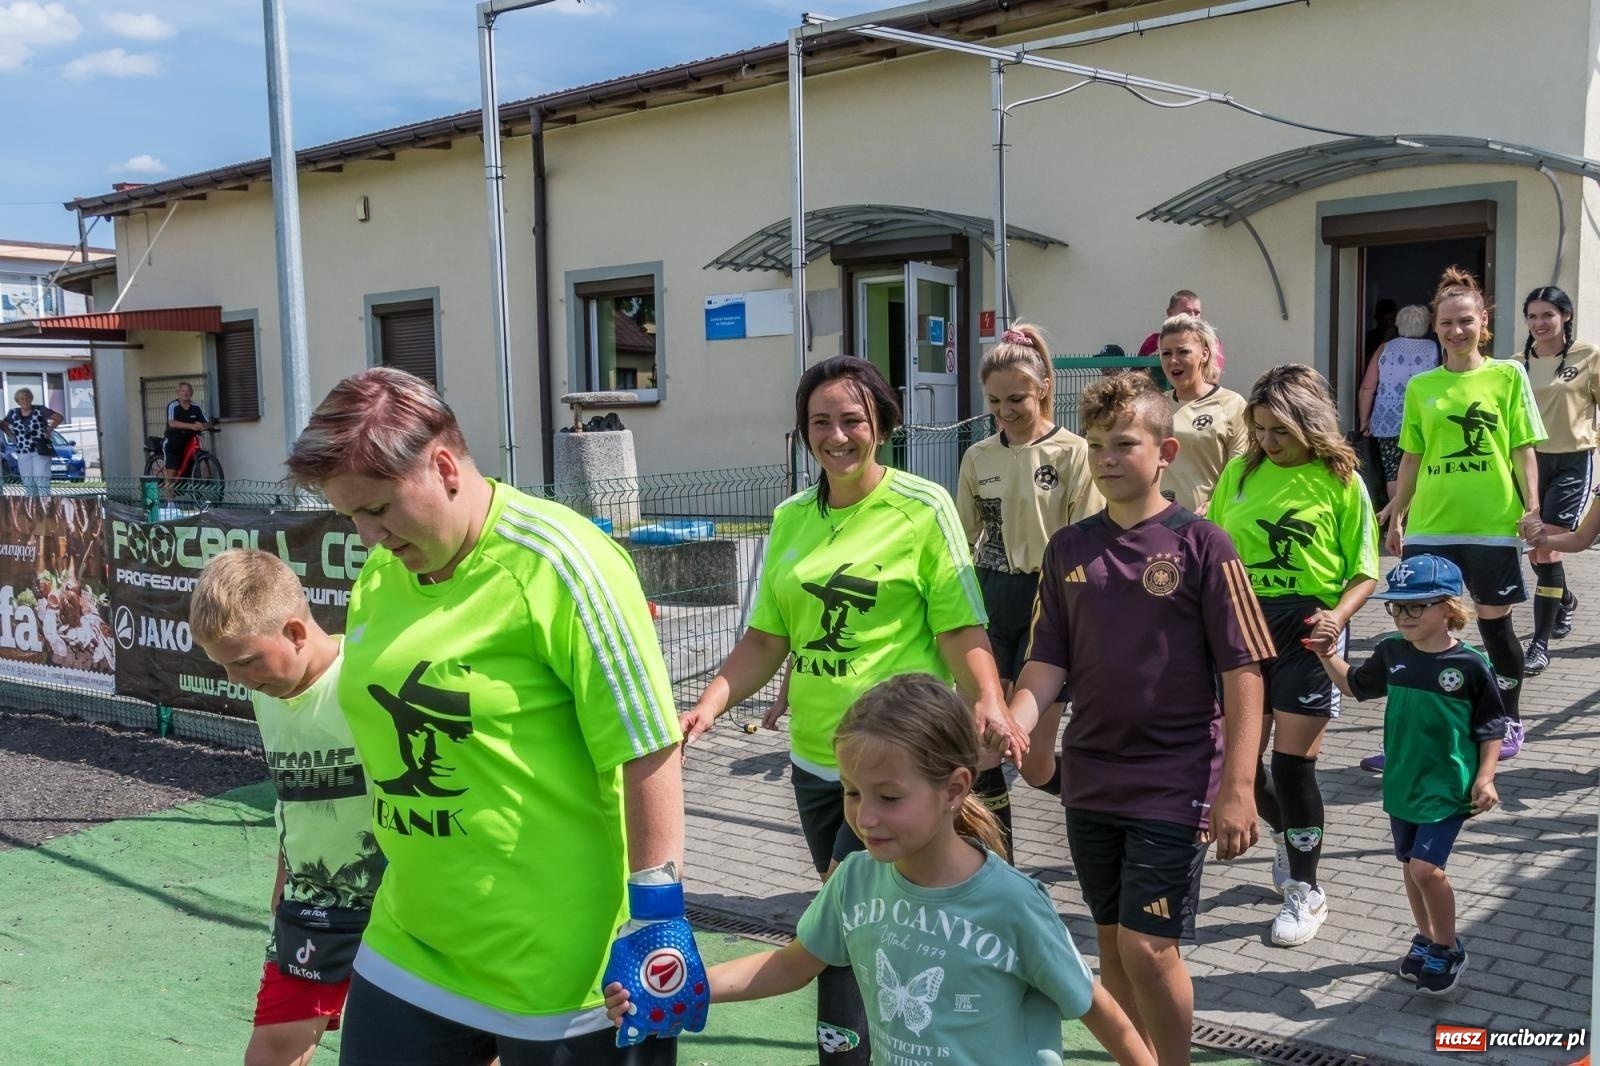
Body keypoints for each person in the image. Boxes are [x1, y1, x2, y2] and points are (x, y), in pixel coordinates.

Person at [285, 367, 688, 1065]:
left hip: (559, 965)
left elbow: (648, 746)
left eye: (378, 509)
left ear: (444, 466)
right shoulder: (383, 575)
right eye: (349, 515)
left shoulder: (563, 563)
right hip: (413, 941)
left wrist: (656, 921)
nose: (366, 535)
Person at [681, 355, 1017, 1066]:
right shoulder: (790, 518)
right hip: (815, 763)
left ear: (883, 426)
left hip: (901, 765)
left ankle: (857, 1054)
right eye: (821, 422)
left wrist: (988, 699)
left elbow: (961, 629)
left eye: (853, 420)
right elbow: (768, 637)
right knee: (866, 924)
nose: (838, 436)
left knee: (837, 921)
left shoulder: (921, 508)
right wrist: (709, 704)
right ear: (805, 433)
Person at [613, 675, 1153, 1066]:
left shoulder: (1014, 904)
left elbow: (1098, 1009)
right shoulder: (854, 880)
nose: (864, 817)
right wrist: (684, 986)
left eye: (890, 796)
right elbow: (790, 966)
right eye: (852, 792)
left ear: (955, 788)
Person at [1008, 372, 1271, 1065]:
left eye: (1125, 443)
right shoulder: (1068, 549)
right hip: (1090, 776)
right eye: (1096, 446)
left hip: (1175, 775)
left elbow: (1244, 670)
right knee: (1111, 941)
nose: (1107, 459)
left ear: (1167, 452)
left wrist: (1238, 786)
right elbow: (1045, 665)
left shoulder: (1205, 545)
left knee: (1149, 946)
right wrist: (1019, 727)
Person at [1207, 364, 1380, 947]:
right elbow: (1213, 553)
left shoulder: (1342, 479)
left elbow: (1364, 571)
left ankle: (1306, 890)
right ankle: (1289, 836)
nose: (1267, 441)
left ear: (1308, 424)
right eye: (1258, 429)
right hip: (1243, 626)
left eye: (1278, 430)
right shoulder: (1237, 474)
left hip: (1310, 629)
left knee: (1292, 767)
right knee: (1242, 766)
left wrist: (1338, 617)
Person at [191, 549, 383, 1066]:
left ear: (296, 632)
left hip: (399, 904)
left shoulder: (369, 679)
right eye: (225, 666)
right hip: (312, 898)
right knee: (273, 1051)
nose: (236, 679)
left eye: (245, 661)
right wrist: (285, 872)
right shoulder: (267, 690)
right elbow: (294, 793)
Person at [1311, 554, 1502, 996]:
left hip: (1447, 787)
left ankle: (1449, 947)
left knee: (1426, 868)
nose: (1404, 616)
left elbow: (1492, 726)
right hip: (1401, 783)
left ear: (1448, 609)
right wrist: (1325, 654)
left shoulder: (1471, 666)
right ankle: (1426, 938)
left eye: (1415, 606)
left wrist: (1486, 777)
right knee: (1409, 865)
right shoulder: (1391, 653)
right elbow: (1355, 685)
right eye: (1397, 607)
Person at [1378, 266, 1544, 764]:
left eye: (1465, 321)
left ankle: (1508, 721)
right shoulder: (1421, 385)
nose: (1456, 330)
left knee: (1496, 630)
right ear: (1435, 326)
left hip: (1493, 525)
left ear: (1483, 323)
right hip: (1432, 525)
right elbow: (1412, 457)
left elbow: (1522, 448)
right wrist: (1398, 513)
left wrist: (1532, 509)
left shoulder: (1508, 375)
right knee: (1421, 633)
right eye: (1447, 322)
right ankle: (1421, 737)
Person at [957, 323, 1102, 857]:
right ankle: (1003, 874)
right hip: (992, 603)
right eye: (994, 401)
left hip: (1051, 605)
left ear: (1042, 389)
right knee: (984, 748)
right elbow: (963, 541)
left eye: (1016, 398)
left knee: (1034, 763)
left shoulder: (1074, 453)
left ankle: (1102, 804)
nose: (1005, 410)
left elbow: (1086, 542)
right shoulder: (978, 457)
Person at [1518, 286, 1597, 675]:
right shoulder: (1516, 364)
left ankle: (1539, 643)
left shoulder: (1588, 356)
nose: (1539, 324)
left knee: (1545, 548)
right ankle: (1562, 598)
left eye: (1547, 315)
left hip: (1571, 462)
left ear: (1564, 316)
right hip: (1529, 463)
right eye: (1532, 316)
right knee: (1536, 553)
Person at [1159, 314, 1249, 515]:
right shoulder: (1156, 406)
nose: (1173, 360)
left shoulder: (1232, 404)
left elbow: (1240, 471)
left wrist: (1214, 504)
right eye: (1166, 353)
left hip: (1210, 522)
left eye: (1183, 352)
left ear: (1205, 354)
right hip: (1160, 524)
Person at [1358, 304, 1440, 506]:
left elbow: (1368, 388)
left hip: (1387, 419)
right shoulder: (1435, 348)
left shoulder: (1385, 348)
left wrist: (1364, 421)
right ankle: (1416, 518)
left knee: (1392, 471)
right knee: (1421, 467)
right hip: (1422, 418)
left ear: (1398, 323)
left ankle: (1396, 519)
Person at [1138, 290, 1227, 387]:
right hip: (1160, 398)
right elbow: (1136, 374)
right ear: (1170, 312)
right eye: (1186, 312)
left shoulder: (1210, 341)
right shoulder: (1153, 341)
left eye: (1197, 312)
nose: (1193, 317)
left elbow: (1212, 376)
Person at [1, 387, 62, 496]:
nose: (25, 401)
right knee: (27, 480)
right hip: (22, 450)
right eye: (22, 399)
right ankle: (31, 506)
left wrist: (49, 431)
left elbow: (59, 417)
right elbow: (4, 425)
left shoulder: (40, 409)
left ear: (31, 399)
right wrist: (11, 436)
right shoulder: (13, 413)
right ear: (18, 401)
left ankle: (45, 505)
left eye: (27, 398)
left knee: (41, 478)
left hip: (40, 449)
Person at [163, 380, 215, 495]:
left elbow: (207, 422)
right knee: (171, 471)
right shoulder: (173, 406)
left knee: (189, 466)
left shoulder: (196, 407)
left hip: (188, 441)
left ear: (191, 393)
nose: (185, 393)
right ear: (178, 393)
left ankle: (188, 489)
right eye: (182, 391)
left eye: (188, 391)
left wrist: (203, 426)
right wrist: (192, 426)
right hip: (173, 441)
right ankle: (169, 503)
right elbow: (172, 423)